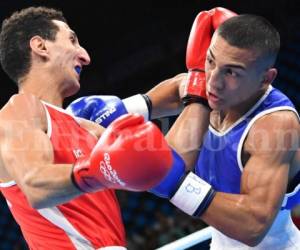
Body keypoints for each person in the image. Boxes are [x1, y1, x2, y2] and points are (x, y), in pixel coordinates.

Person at [70, 9, 300, 250]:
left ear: (266, 79)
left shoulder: (275, 126)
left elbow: (253, 227)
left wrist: (175, 182)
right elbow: (152, 101)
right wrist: (108, 113)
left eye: (231, 71)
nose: (213, 81)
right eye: (211, 60)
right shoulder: (205, 86)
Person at [0, 6, 191, 249]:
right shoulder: (19, 111)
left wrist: (197, 92)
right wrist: (99, 171)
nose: (85, 56)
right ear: (41, 47)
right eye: (71, 40)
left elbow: (167, 164)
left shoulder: (84, 128)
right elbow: (35, 186)